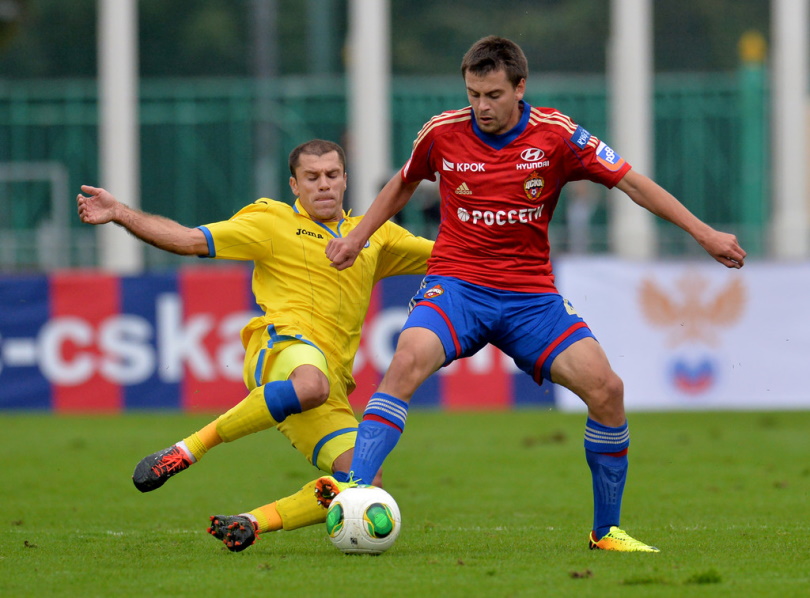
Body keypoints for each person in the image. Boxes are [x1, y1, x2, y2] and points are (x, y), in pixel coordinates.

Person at [319, 36, 747, 553]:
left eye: (493, 94)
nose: (481, 106)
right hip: (458, 284)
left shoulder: (557, 135)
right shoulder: (442, 134)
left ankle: (606, 532)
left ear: (521, 88)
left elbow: (633, 183)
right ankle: (356, 496)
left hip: (530, 297)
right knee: (405, 361)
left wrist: (703, 232)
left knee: (607, 391)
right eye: (474, 93)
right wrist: (358, 237)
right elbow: (403, 183)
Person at [77, 139, 433, 552]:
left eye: (332, 176)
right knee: (311, 382)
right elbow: (189, 239)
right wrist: (120, 212)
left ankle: (251, 522)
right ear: (294, 185)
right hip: (281, 349)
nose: (323, 185)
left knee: (364, 481)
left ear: (345, 180)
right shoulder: (270, 221)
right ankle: (188, 449)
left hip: (328, 384)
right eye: (311, 177)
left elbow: (453, 256)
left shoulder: (375, 236)